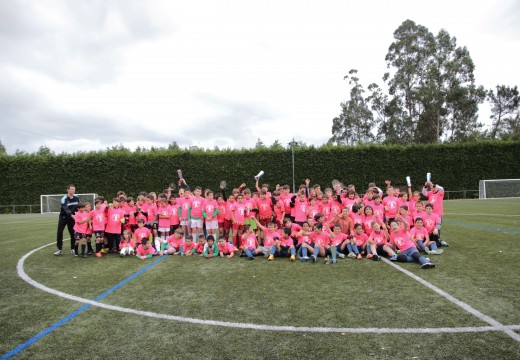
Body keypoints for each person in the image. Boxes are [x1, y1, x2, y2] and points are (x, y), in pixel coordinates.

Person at [55, 184, 80, 255]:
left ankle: (73, 248)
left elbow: (78, 207)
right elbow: (65, 208)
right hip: (63, 218)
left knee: (73, 233)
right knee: (59, 232)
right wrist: (72, 215)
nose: (73, 190)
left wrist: (79, 214)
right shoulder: (64, 199)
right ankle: (59, 249)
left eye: (74, 189)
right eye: (71, 189)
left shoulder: (77, 198)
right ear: (68, 190)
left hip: (72, 218)